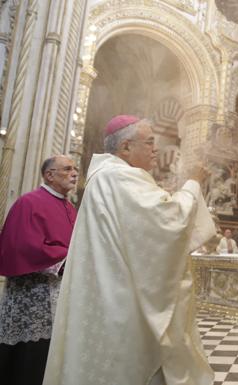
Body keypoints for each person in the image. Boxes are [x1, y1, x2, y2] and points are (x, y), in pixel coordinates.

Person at [43, 115, 217, 385]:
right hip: (122, 300)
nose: (155, 149)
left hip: (109, 289)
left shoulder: (107, 176)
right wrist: (193, 182)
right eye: (149, 143)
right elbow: (169, 222)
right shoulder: (119, 177)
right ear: (125, 147)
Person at [0, 155, 77, 385]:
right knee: (28, 359)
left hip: (59, 295)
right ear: (49, 175)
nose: (74, 173)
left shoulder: (70, 208)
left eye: (75, 169)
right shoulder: (29, 202)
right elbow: (21, 245)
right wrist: (67, 258)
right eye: (67, 169)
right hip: (33, 295)